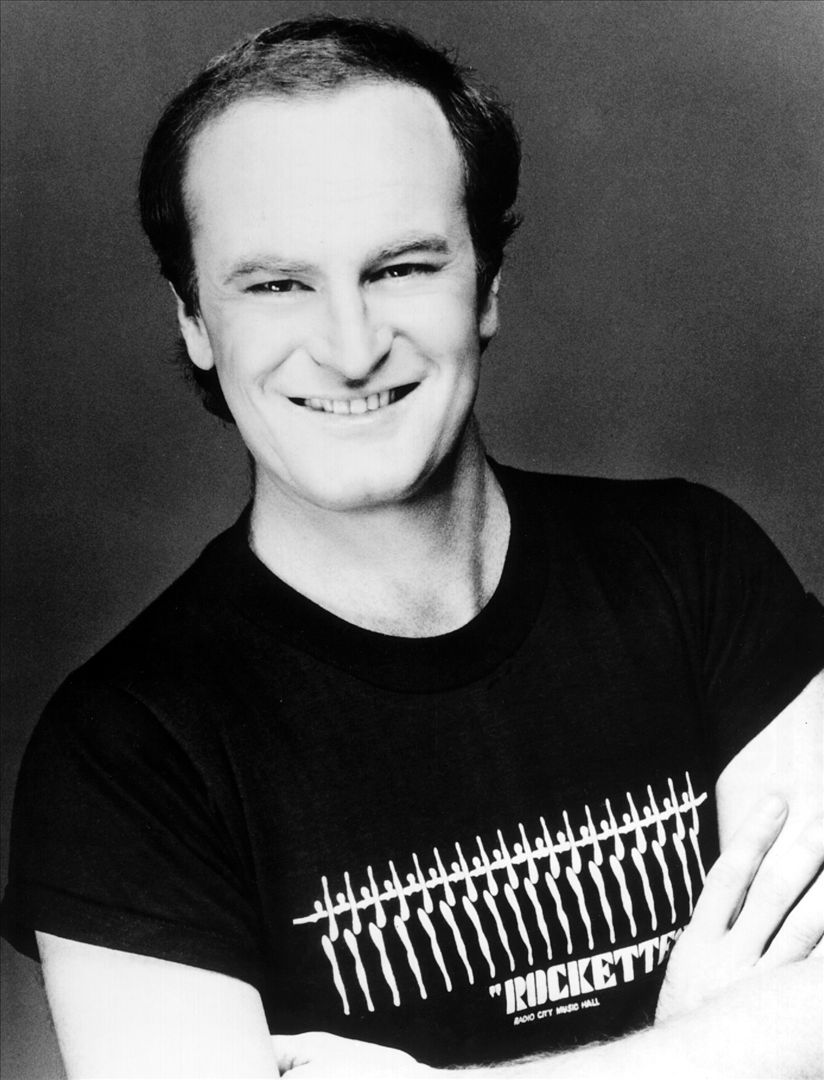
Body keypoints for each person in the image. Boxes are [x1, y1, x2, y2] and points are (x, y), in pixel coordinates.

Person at [2, 14, 822, 1079]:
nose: (350, 348)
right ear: (195, 321)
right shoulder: (122, 758)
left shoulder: (692, 568)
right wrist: (729, 1047)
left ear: (486, 284)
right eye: (276, 284)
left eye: (397, 268)